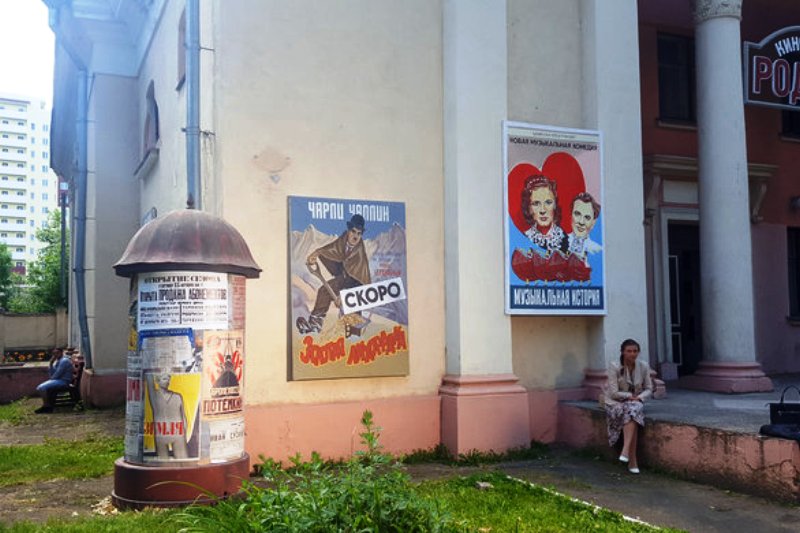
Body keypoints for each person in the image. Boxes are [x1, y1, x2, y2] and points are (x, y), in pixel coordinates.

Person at [296, 214, 372, 334]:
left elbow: (360, 281)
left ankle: (354, 333)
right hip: (343, 278)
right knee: (324, 291)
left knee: (352, 308)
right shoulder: (342, 241)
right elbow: (331, 250)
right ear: (348, 231)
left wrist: (345, 296)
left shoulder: (359, 254)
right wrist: (315, 254)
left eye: (359, 233)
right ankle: (315, 323)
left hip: (356, 286)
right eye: (353, 231)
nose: (355, 236)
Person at [604, 338, 654, 474]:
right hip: (616, 402)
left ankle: (626, 452)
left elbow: (649, 388)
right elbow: (613, 393)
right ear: (623, 352)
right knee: (633, 414)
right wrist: (629, 396)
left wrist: (640, 397)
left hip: (635, 401)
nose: (633, 354)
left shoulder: (643, 366)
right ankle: (632, 460)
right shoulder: (614, 366)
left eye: (635, 351)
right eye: (629, 351)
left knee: (633, 409)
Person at [521, 174, 568, 256]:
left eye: (548, 202)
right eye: (536, 203)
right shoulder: (524, 238)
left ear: (555, 205)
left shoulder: (566, 239)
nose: (542, 210)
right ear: (529, 208)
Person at [145, 372, 189, 460]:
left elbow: (183, 416)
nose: (167, 382)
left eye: (168, 379)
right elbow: (149, 379)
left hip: (177, 432)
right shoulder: (155, 396)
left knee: (182, 460)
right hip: (160, 433)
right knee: (163, 461)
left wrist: (184, 431)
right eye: (164, 379)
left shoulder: (177, 396)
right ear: (157, 381)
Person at [34, 348, 73, 414]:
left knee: (41, 388)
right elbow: (52, 374)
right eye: (54, 353)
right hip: (58, 380)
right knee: (40, 388)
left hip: (64, 381)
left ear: (61, 353)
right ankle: (46, 406)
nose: (55, 355)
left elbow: (57, 374)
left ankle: (47, 406)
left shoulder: (64, 361)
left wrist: (51, 379)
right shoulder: (59, 361)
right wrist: (51, 363)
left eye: (57, 353)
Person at [567, 191, 602, 261]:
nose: (581, 222)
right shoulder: (558, 243)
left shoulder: (597, 250)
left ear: (593, 223)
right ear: (571, 215)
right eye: (577, 214)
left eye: (587, 217)